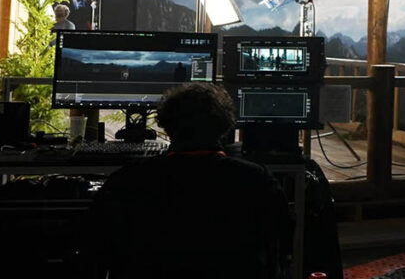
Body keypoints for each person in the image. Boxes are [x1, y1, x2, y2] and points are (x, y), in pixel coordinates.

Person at [84, 83, 292, 279]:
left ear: (166, 125)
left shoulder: (125, 182)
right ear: (225, 126)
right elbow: (282, 248)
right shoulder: (257, 181)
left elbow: (94, 252)